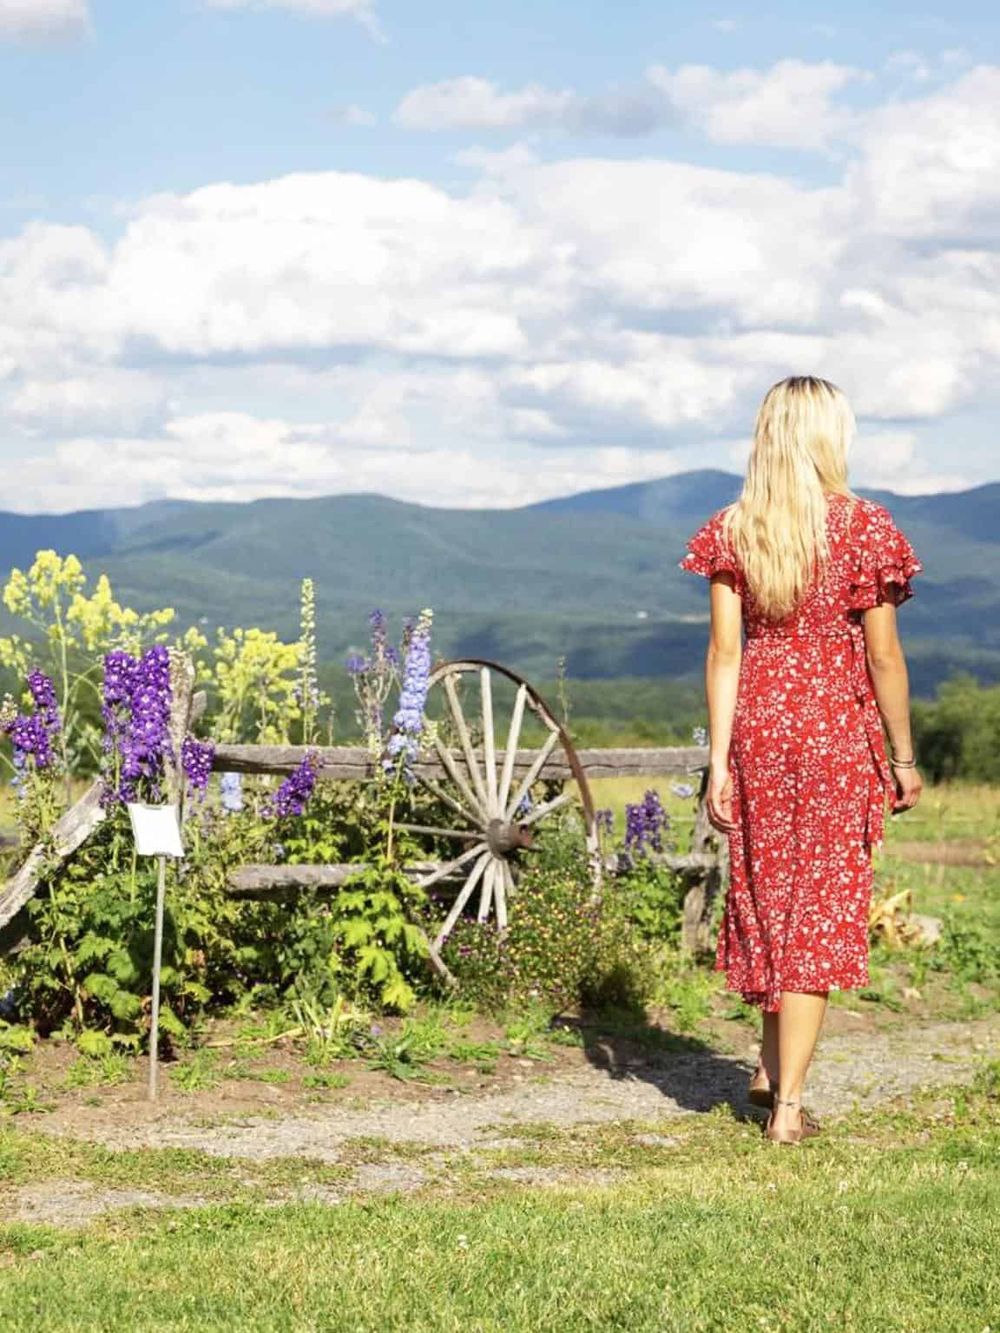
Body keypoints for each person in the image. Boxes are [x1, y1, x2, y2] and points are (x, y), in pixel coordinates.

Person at [678, 376, 924, 1145]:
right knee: (816, 912)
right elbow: (883, 655)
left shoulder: (733, 527)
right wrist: (903, 756)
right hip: (832, 734)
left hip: (758, 725)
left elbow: (725, 652)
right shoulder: (864, 527)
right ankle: (789, 1110)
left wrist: (718, 760)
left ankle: (764, 1063)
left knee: (767, 894)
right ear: (826, 436)